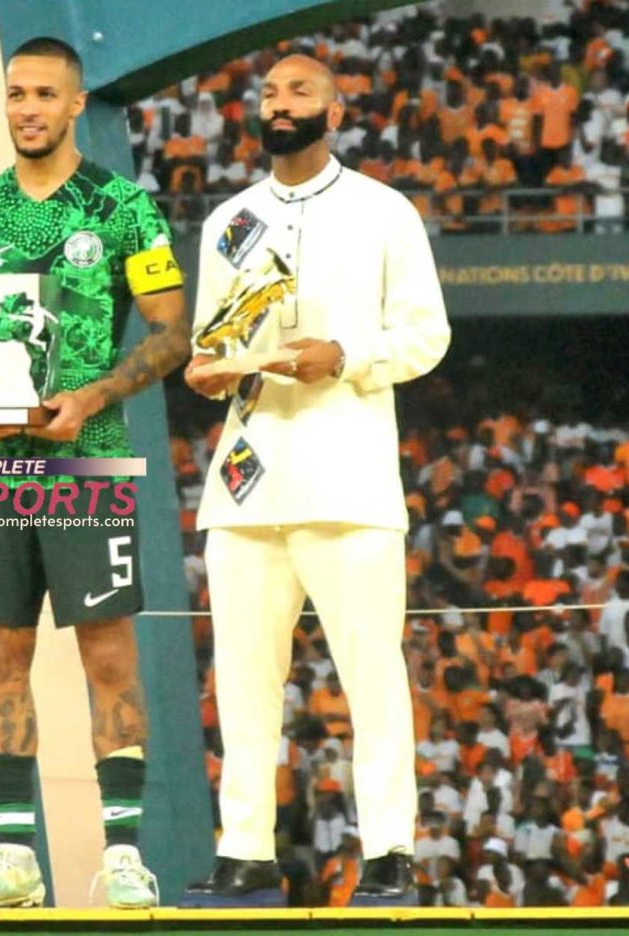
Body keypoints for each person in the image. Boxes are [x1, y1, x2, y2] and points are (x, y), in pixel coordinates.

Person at [0, 37, 190, 909]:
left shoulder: (123, 209)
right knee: (0, 656)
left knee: (107, 656)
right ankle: (14, 858)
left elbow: (172, 334)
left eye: (45, 94)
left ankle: (124, 856)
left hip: (88, 457)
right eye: (16, 94)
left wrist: (95, 394)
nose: (28, 108)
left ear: (77, 104)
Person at [183, 54, 450, 904]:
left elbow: (427, 336)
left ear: (335, 113)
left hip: (348, 476)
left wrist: (346, 355)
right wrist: (207, 371)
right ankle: (245, 851)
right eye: (268, 92)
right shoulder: (229, 220)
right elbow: (210, 344)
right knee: (241, 682)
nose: (279, 103)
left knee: (372, 678)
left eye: (299, 91)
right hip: (246, 479)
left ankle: (390, 852)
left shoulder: (383, 211)